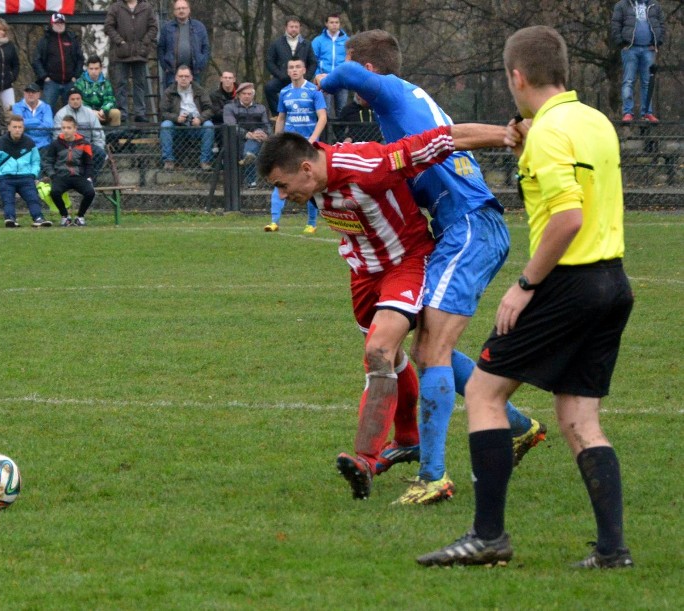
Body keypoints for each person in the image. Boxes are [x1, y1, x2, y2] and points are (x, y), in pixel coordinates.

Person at [417, 26, 635, 570]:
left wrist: (524, 285)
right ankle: (613, 551)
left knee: (487, 393)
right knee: (580, 416)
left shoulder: (547, 133)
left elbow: (567, 218)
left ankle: (488, 536)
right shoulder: (594, 121)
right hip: (613, 282)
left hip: (566, 281)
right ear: (564, 71)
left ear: (516, 76)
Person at [317, 30, 545, 505]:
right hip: (461, 226)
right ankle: (521, 427)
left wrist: (320, 79)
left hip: (467, 225)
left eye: (360, 71)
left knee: (431, 350)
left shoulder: (390, 93)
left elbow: (344, 74)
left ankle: (434, 476)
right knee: (428, 347)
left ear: (371, 71)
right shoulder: (408, 99)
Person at [256, 123, 510, 501]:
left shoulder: (368, 163)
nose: (281, 195)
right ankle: (410, 438)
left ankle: (365, 458)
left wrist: (511, 134)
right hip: (363, 273)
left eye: (281, 185)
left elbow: (439, 140)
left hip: (405, 264)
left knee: (378, 352)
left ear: (307, 170)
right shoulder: (316, 176)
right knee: (393, 358)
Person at [265, 58, 326, 234]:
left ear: (304, 70)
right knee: (280, 179)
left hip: (307, 144)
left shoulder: (314, 90)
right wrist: (277, 140)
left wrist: (313, 138)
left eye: (297, 67)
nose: (294, 70)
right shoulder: (284, 92)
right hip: (289, 145)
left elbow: (322, 117)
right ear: (287, 71)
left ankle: (311, 223)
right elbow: (282, 118)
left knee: (309, 181)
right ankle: (274, 221)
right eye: (291, 67)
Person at [0, 114, 52, 228]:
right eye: (15, 127)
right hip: (6, 178)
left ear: (23, 128)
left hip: (26, 177)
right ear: (9, 128)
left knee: (33, 198)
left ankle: (38, 218)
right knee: (8, 199)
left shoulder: (29, 142)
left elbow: (36, 161)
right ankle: (10, 219)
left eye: (20, 127)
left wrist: (33, 174)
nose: (17, 130)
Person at [610, 0, 665, 123]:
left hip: (648, 49)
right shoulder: (622, 5)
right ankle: (628, 112)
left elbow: (661, 24)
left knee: (647, 82)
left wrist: (658, 42)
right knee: (628, 80)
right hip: (630, 49)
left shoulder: (654, 5)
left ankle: (647, 113)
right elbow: (615, 24)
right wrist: (621, 42)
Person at [105, 0, 158, 124]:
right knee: (120, 84)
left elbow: (153, 27)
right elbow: (108, 26)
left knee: (139, 84)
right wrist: (120, 42)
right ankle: (122, 113)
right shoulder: (116, 7)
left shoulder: (147, 7)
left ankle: (140, 113)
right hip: (121, 53)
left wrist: (145, 42)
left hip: (140, 53)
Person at [40, 115, 96, 227]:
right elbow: (48, 162)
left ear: (75, 129)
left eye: (69, 128)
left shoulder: (84, 143)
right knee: (54, 192)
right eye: (63, 127)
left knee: (90, 192)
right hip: (61, 176)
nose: (66, 130)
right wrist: (53, 175)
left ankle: (80, 216)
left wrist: (88, 177)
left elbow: (89, 163)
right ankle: (65, 216)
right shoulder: (55, 144)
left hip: (78, 176)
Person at [159, 65, 214, 171]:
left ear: (191, 78)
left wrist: (200, 119)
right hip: (177, 126)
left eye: (186, 76)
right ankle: (168, 161)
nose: (183, 78)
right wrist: (176, 118)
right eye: (181, 76)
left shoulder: (200, 90)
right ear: (176, 78)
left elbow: (210, 109)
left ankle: (205, 161)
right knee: (165, 125)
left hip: (197, 125)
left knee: (209, 126)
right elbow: (163, 112)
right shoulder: (169, 92)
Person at [264, 17, 317, 117]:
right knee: (269, 88)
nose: (294, 29)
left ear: (300, 28)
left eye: (296, 27)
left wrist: (306, 77)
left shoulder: (306, 44)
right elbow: (269, 61)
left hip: (302, 80)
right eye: (291, 26)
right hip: (283, 78)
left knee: (315, 93)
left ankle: (311, 116)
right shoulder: (277, 43)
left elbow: (313, 62)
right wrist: (280, 74)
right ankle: (277, 115)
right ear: (286, 27)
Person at [33, 13, 84, 112]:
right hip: (51, 83)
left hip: (70, 82)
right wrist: (44, 77)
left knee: (73, 110)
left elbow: (80, 58)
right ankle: (47, 128)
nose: (59, 25)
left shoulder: (72, 39)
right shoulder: (44, 40)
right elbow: (36, 60)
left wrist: (76, 76)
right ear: (52, 24)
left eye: (61, 23)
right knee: (46, 110)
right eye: (57, 23)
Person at [222, 82, 269, 188]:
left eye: (249, 94)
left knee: (253, 144)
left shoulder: (261, 108)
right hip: (236, 138)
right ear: (238, 95)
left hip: (256, 139)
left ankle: (249, 174)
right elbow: (231, 125)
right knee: (250, 149)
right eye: (244, 93)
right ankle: (251, 181)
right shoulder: (229, 107)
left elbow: (266, 125)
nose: (247, 96)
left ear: (253, 95)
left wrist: (264, 134)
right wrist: (246, 134)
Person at [53, 88, 106, 177]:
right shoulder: (61, 114)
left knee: (100, 153)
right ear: (68, 100)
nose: (75, 101)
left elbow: (98, 134)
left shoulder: (89, 113)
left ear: (81, 99)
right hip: (67, 146)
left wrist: (99, 147)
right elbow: (57, 135)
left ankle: (92, 178)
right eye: (73, 99)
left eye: (78, 99)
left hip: (87, 145)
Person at [157, 0, 210, 89]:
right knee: (173, 100)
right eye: (178, 8)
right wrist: (165, 67)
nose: (181, 10)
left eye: (183, 8)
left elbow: (206, 48)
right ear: (174, 11)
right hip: (172, 72)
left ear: (189, 10)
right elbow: (161, 48)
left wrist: (201, 64)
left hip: (194, 72)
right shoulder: (167, 28)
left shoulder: (199, 27)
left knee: (193, 99)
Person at [311, 14, 349, 118]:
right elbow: (313, 60)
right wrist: (318, 75)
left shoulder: (347, 41)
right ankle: (324, 134)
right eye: (331, 22)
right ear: (326, 24)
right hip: (324, 78)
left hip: (341, 79)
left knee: (342, 109)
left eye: (336, 22)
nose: (334, 25)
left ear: (340, 24)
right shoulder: (318, 41)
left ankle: (341, 134)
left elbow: (350, 59)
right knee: (324, 109)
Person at [74, 55, 121, 127]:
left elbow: (110, 100)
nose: (93, 71)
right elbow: (77, 101)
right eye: (91, 69)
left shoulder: (106, 83)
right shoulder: (79, 82)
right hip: (85, 113)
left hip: (102, 113)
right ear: (87, 69)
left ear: (100, 68)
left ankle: (113, 136)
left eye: (96, 68)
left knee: (116, 113)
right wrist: (91, 112)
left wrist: (103, 110)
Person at [11, 83, 53, 150]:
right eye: (28, 92)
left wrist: (27, 128)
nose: (30, 94)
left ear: (39, 94)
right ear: (24, 94)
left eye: (33, 92)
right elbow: (19, 123)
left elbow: (48, 127)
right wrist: (38, 121)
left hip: (44, 145)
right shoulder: (17, 107)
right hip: (24, 144)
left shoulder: (46, 107)